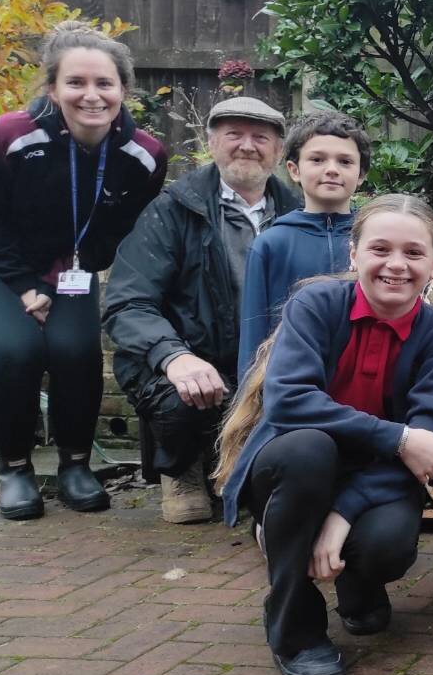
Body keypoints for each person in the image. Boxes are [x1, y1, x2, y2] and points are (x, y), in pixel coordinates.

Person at [212, 194, 433, 675]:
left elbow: (429, 446)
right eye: (380, 249)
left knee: (389, 546)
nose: (396, 265)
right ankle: (296, 628)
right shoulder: (316, 304)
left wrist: (341, 516)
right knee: (312, 448)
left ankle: (359, 580)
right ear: (354, 256)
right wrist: (396, 436)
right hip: (293, 461)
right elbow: (288, 402)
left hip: (378, 479)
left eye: (414, 253)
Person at [0, 21, 167, 521]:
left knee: (76, 351)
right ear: (53, 88)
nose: (91, 95)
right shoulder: (7, 136)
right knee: (16, 351)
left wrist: (79, 265)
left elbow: (122, 224)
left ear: (123, 89)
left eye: (104, 83)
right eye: (76, 83)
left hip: (66, 267)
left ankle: (76, 465)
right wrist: (26, 288)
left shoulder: (144, 155)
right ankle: (15, 469)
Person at [103, 96, 301, 524]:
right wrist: (175, 356)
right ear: (212, 143)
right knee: (181, 396)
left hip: (269, 360)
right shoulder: (173, 210)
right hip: (194, 359)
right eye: (234, 135)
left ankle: (241, 466)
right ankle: (182, 469)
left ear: (279, 151)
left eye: (260, 137)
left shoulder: (298, 213)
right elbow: (127, 302)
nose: (247, 146)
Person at [238, 111, 368, 379]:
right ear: (294, 170)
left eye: (345, 161)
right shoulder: (271, 244)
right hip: (288, 388)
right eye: (317, 159)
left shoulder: (375, 240)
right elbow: (252, 338)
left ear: (361, 174)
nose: (331, 169)